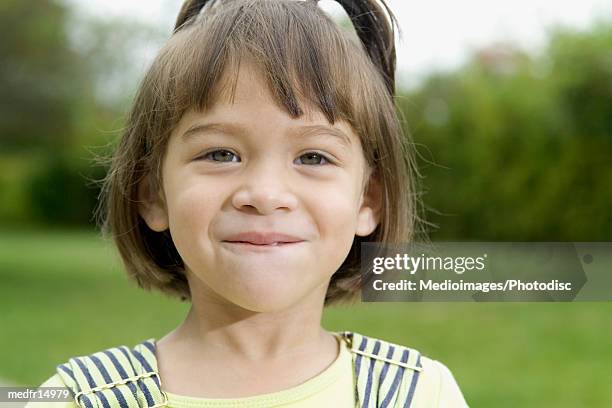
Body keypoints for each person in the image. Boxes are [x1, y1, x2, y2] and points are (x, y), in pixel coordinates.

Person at [28, 0, 468, 406]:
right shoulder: (74, 397)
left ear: (367, 201)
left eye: (313, 157)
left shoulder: (422, 392)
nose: (264, 194)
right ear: (153, 194)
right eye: (221, 154)